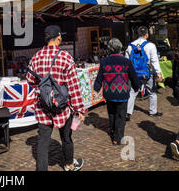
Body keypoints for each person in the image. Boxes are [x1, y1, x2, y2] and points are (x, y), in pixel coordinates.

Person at [26, 25, 87, 172]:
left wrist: (44, 89)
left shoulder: (36, 56)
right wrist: (79, 109)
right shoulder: (65, 57)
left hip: (43, 105)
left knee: (42, 142)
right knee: (66, 137)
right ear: (58, 37)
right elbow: (73, 86)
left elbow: (29, 79)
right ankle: (69, 165)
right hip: (62, 106)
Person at [94, 38, 140, 145]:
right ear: (120, 48)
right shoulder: (126, 62)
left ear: (109, 49)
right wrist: (137, 87)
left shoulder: (104, 62)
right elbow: (133, 77)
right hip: (122, 93)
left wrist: (97, 88)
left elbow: (99, 78)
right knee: (120, 115)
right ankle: (117, 138)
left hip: (109, 93)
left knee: (111, 113)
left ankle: (113, 131)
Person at [125, 26, 163, 120]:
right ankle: (152, 112)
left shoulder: (130, 46)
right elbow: (154, 61)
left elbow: (126, 61)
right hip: (147, 73)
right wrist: (158, 73)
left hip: (134, 74)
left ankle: (127, 113)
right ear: (147, 34)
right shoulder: (151, 45)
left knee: (132, 92)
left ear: (138, 34)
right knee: (152, 92)